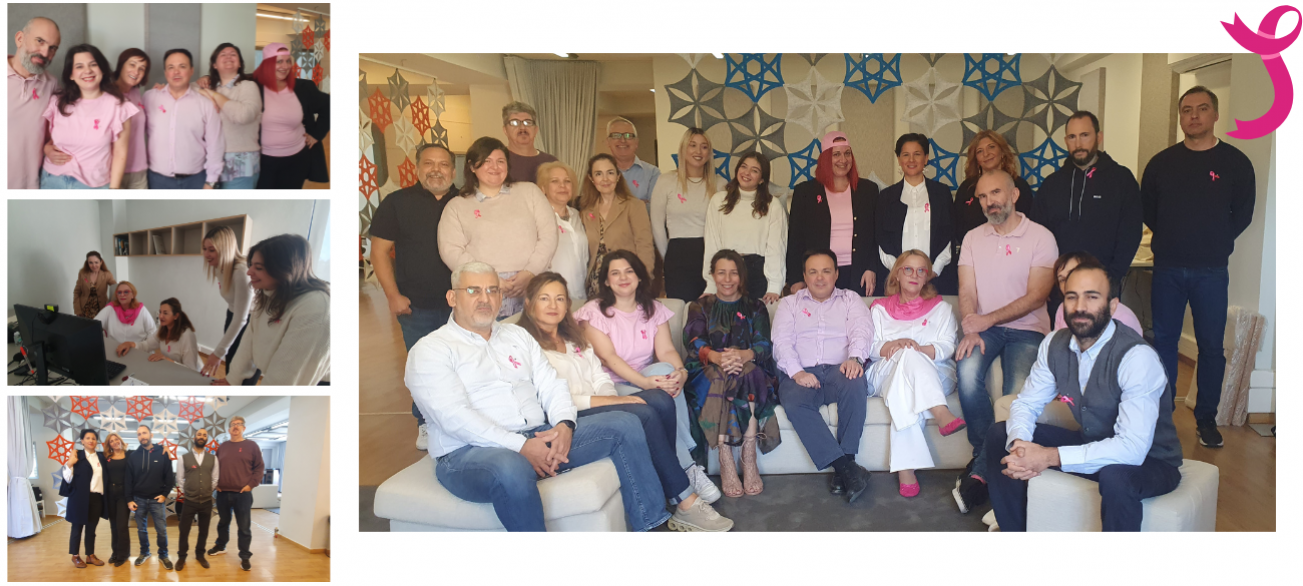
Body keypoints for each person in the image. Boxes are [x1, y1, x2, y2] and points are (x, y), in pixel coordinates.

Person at [408, 261, 728, 531]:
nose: (484, 298)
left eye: (492, 290)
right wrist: (521, 446)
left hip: (539, 435)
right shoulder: (431, 350)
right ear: (452, 297)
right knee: (511, 467)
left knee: (626, 424)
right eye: (473, 290)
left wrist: (564, 424)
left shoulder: (515, 336)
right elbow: (454, 418)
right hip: (469, 454)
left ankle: (651, 524)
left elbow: (552, 385)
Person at [518, 271, 733, 528]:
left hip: (599, 402)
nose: (553, 305)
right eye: (544, 298)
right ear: (529, 303)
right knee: (644, 414)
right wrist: (612, 403)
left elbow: (598, 374)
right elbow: (548, 399)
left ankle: (671, 476)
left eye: (560, 298)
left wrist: (611, 397)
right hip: (567, 416)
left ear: (567, 305)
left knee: (661, 400)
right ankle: (685, 500)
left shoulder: (573, 337)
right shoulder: (524, 345)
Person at [986, 262, 1182, 532]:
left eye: (1092, 297)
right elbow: (1027, 403)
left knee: (1116, 477)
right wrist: (1021, 446)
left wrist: (1049, 457)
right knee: (1001, 435)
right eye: (1072, 296)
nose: (1080, 306)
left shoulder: (1137, 357)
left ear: (1112, 306)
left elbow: (1132, 449)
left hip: (1151, 461)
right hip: (1092, 441)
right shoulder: (1054, 344)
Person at [1142, 85, 1256, 449]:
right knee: (1164, 343)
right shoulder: (1161, 163)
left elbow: (1243, 213)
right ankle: (1162, 417)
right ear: (1180, 117)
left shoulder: (1236, 163)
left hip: (1211, 270)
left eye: (1202, 108)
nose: (1194, 116)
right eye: (1187, 110)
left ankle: (1206, 419)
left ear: (1215, 115)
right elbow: (1149, 211)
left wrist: (1216, 239)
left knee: (1211, 347)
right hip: (1168, 269)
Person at [573, 250, 720, 501]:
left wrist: (681, 372)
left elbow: (666, 351)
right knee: (658, 394)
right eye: (615, 273)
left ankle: (682, 470)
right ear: (606, 281)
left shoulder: (653, 309)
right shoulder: (594, 312)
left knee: (666, 372)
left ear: (639, 276)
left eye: (629, 271)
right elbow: (608, 357)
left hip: (645, 378)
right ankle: (687, 468)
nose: (623, 278)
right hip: (610, 384)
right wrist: (645, 383)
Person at [952, 169, 1058, 515]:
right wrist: (972, 326)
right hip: (985, 329)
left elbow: (1037, 295)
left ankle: (981, 471)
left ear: (1014, 195)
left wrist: (986, 319)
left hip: (1028, 329)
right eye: (982, 197)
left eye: (995, 193)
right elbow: (966, 290)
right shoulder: (972, 238)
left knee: (1015, 397)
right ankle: (984, 455)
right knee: (966, 370)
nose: (989, 202)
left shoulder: (1041, 237)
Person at [371, 142, 458, 449]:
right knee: (423, 367)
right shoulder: (397, 203)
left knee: (462, 365)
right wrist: (393, 296)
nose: (436, 170)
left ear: (453, 171)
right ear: (418, 168)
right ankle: (425, 422)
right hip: (416, 306)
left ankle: (459, 422)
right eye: (429, 163)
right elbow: (378, 252)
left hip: (462, 306)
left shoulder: (465, 201)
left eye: (443, 164)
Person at [772, 248, 875, 503]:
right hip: (802, 372)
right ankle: (847, 469)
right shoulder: (789, 304)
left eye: (826, 271)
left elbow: (862, 330)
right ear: (805, 276)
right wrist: (797, 372)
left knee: (855, 381)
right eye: (813, 272)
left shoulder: (850, 299)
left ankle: (847, 461)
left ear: (836, 274)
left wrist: (855, 358)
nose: (820, 278)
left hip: (840, 368)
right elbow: (781, 342)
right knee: (792, 400)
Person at [867, 250, 967, 497]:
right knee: (906, 356)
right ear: (897, 275)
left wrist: (919, 350)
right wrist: (893, 345)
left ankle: (906, 470)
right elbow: (868, 347)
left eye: (921, 270)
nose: (914, 275)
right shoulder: (879, 309)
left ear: (927, 277)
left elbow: (948, 346)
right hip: (885, 370)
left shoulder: (942, 308)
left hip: (936, 371)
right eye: (908, 269)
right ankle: (939, 410)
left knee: (908, 369)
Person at [683, 250, 781, 497]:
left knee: (747, 372)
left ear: (742, 276)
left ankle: (749, 457)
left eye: (733, 273)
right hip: (707, 368)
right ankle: (725, 457)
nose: (727, 279)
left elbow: (764, 345)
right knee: (720, 376)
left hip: (748, 365)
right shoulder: (700, 306)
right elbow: (693, 341)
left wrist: (743, 355)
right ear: (713, 275)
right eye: (721, 273)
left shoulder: (755, 307)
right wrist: (718, 358)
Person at [439, 136, 558, 318]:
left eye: (500, 161)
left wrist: (530, 272)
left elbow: (549, 235)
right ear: (472, 166)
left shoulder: (529, 192)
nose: (495, 167)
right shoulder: (457, 205)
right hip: (483, 290)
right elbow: (451, 250)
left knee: (534, 334)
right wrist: (490, 279)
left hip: (533, 283)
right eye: (487, 161)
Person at [1031, 111, 1142, 285]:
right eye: (1072, 137)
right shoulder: (1052, 184)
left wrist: (1113, 276)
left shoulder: (1121, 179)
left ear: (1099, 137)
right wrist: (1048, 278)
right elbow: (1038, 234)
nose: (1078, 144)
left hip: (1103, 282)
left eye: (1084, 135)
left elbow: (1131, 232)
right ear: (1066, 141)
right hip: (1058, 284)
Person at [219, 234, 331, 386]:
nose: (249, 272)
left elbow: (287, 376)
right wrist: (232, 379)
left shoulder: (316, 307)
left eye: (258, 268)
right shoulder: (269, 293)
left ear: (284, 269)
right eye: (251, 265)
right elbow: (249, 341)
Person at [787, 131, 883, 296]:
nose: (843, 160)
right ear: (825, 158)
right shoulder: (805, 192)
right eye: (836, 154)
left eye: (847, 154)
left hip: (860, 274)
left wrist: (871, 267)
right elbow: (795, 240)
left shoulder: (868, 190)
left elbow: (876, 236)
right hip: (820, 275)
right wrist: (796, 279)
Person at [39, 44, 138, 189]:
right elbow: (48, 139)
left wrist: (114, 190)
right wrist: (46, 149)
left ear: (102, 69)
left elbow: (120, 153)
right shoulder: (57, 102)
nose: (87, 71)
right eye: (79, 66)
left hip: (94, 184)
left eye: (93, 64)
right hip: (52, 179)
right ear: (71, 74)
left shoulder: (119, 106)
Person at [701, 152, 787, 303]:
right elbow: (712, 244)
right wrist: (711, 284)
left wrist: (774, 286)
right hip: (726, 271)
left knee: (754, 317)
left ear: (762, 179)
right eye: (744, 167)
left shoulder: (772, 205)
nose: (746, 173)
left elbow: (776, 248)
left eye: (754, 170)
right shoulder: (719, 200)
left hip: (758, 272)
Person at [878, 133, 957, 295]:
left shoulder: (941, 193)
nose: (911, 160)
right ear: (899, 159)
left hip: (936, 279)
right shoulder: (886, 197)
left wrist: (934, 270)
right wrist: (899, 271)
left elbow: (948, 235)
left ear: (926, 158)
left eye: (917, 154)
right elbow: (881, 239)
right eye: (906, 155)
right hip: (897, 281)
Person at [651, 127, 722, 301]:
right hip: (678, 254)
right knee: (681, 309)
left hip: (711, 254)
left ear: (709, 153)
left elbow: (725, 226)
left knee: (711, 308)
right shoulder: (666, 181)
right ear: (683, 149)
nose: (698, 151)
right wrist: (668, 256)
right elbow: (656, 223)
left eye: (704, 147)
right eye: (693, 145)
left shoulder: (720, 184)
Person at [251, 42, 329, 189]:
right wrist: (207, 79)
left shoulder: (303, 88)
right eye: (279, 61)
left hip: (297, 159)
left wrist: (316, 134)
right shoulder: (253, 86)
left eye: (288, 61)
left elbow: (328, 105)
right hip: (262, 160)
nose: (285, 66)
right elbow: (229, 80)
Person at [142, 48, 223, 188]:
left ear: (191, 70)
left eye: (182, 66)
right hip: (157, 180)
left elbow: (215, 144)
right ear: (165, 72)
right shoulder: (149, 98)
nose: (176, 72)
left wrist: (211, 181)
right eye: (171, 67)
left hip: (196, 180)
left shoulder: (205, 103)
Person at [577, 153, 655, 298]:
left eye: (610, 173)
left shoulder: (634, 206)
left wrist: (643, 278)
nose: (605, 179)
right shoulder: (586, 211)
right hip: (596, 284)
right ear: (592, 179)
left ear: (618, 176)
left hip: (626, 281)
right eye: (598, 174)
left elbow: (645, 245)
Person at [952, 131, 1034, 260]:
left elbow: (1027, 223)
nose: (986, 154)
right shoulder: (966, 188)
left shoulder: (1019, 186)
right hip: (974, 256)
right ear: (976, 159)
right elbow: (957, 225)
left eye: (991, 147)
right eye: (980, 151)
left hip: (1012, 255)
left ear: (1002, 152)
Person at [196, 43, 262, 189]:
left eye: (233, 54)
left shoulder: (248, 86)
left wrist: (214, 95)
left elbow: (243, 115)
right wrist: (202, 87)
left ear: (239, 64)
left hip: (241, 161)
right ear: (214, 65)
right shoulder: (207, 87)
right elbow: (184, 90)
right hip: (210, 160)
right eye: (223, 54)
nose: (228, 57)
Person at [8, 17, 61, 189]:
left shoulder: (52, 84)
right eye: (40, 41)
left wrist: (49, 147)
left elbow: (59, 129)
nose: (45, 53)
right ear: (20, 39)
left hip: (32, 186)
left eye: (52, 48)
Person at [201, 226, 256, 381]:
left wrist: (218, 353)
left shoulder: (241, 272)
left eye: (211, 250)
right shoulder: (218, 267)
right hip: (232, 315)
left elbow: (241, 319)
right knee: (231, 363)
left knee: (243, 371)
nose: (206, 254)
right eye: (204, 249)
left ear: (225, 249)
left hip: (251, 322)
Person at [209, 416, 263, 571]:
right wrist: (216, 484)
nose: (235, 427)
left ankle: (245, 556)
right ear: (229, 429)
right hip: (223, 493)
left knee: (244, 527)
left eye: (239, 424)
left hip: (242, 494)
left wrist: (251, 485)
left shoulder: (251, 446)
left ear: (244, 428)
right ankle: (221, 546)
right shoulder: (223, 447)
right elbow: (215, 468)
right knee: (223, 522)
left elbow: (259, 468)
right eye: (233, 424)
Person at [1053, 252, 1143, 335]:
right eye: (1062, 279)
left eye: (1073, 275)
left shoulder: (1123, 317)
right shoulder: (1062, 308)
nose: (1068, 283)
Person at [537, 160, 588, 301]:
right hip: (551, 296)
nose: (562, 186)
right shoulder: (537, 217)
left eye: (567, 181)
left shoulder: (577, 215)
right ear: (543, 188)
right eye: (555, 181)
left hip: (581, 294)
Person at [126, 424, 174, 569]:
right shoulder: (133, 456)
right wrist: (129, 499)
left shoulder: (162, 453)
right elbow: (128, 480)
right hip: (139, 500)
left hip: (157, 500)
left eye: (144, 433)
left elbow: (169, 477)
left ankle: (163, 555)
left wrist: (164, 495)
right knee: (141, 530)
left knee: (161, 530)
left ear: (151, 435)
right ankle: (144, 552)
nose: (142, 436)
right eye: (139, 434)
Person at [60, 429, 108, 568]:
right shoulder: (77, 456)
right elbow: (67, 479)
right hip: (79, 498)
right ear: (82, 441)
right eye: (87, 438)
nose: (91, 441)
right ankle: (75, 556)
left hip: (96, 498)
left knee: (91, 529)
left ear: (96, 441)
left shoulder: (101, 458)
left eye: (93, 438)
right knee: (77, 528)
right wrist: (70, 463)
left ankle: (90, 555)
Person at [115, 298, 201, 371]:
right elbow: (147, 345)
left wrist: (167, 360)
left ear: (176, 316)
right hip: (170, 370)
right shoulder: (163, 329)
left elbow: (190, 369)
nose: (160, 316)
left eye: (165, 313)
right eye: (160, 312)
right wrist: (130, 344)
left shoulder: (187, 335)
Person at [174, 427, 217, 571]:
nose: (201, 437)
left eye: (204, 435)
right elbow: (180, 479)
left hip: (206, 502)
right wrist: (188, 491)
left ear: (206, 439)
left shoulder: (213, 459)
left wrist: (206, 490)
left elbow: (215, 479)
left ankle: (200, 555)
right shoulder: (183, 458)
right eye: (199, 434)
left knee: (203, 530)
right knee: (184, 530)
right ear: (194, 437)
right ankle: (182, 557)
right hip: (189, 502)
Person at [110, 48, 149, 188]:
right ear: (121, 65)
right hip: (112, 169)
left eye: (141, 68)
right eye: (132, 64)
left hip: (139, 170)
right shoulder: (106, 93)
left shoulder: (137, 93)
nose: (136, 72)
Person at [606, 116, 660, 203]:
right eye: (616, 135)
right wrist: (639, 203)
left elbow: (655, 206)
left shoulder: (652, 173)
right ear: (608, 142)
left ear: (636, 142)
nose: (622, 140)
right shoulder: (598, 174)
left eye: (628, 136)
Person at [501, 101, 557, 182]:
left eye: (528, 122)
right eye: (515, 123)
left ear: (536, 130)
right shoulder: (498, 161)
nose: (522, 127)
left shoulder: (551, 162)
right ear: (505, 130)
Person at [101, 432, 131, 567]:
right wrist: (75, 451)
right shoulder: (106, 457)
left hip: (124, 494)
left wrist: (164, 448)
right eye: (111, 441)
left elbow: (146, 450)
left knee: (122, 526)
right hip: (110, 494)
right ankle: (115, 552)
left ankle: (123, 554)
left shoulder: (130, 455)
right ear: (109, 444)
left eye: (116, 439)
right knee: (113, 525)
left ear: (120, 440)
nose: (114, 442)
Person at [73, 251, 116, 318]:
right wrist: (78, 310)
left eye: (96, 262)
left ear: (101, 262)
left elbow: (116, 287)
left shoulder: (107, 275)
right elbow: (77, 292)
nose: (94, 265)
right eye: (91, 263)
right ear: (87, 263)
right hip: (84, 310)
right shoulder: (82, 274)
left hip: (101, 309)